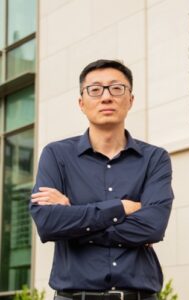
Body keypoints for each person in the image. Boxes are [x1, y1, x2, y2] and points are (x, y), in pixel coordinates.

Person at [29, 59, 174, 300]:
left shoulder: (155, 159)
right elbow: (47, 222)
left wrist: (73, 218)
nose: (106, 97)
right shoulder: (57, 155)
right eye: (95, 90)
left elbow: (153, 226)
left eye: (117, 88)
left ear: (131, 100)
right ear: (81, 103)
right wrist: (120, 209)